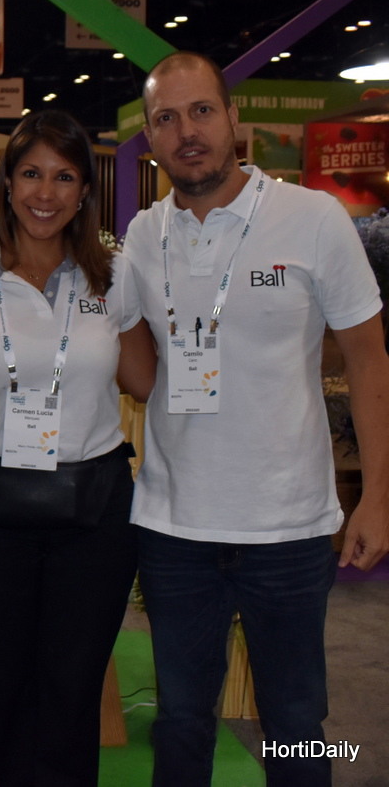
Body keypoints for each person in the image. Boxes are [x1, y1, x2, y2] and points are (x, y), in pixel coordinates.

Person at [126, 51, 389, 786]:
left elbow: (370, 359)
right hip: (175, 529)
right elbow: (134, 364)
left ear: (232, 117)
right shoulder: (144, 237)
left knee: (297, 723)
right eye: (167, 118)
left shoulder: (312, 218)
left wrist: (377, 495)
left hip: (289, 526)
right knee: (181, 718)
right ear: (151, 136)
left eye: (201, 111)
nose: (187, 131)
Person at [0, 109, 155, 786]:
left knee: (72, 690)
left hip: (94, 514)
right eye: (31, 173)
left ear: (85, 191)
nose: (45, 192)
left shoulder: (114, 277)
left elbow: (145, 383)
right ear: (7, 183)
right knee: (0, 687)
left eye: (64, 177)